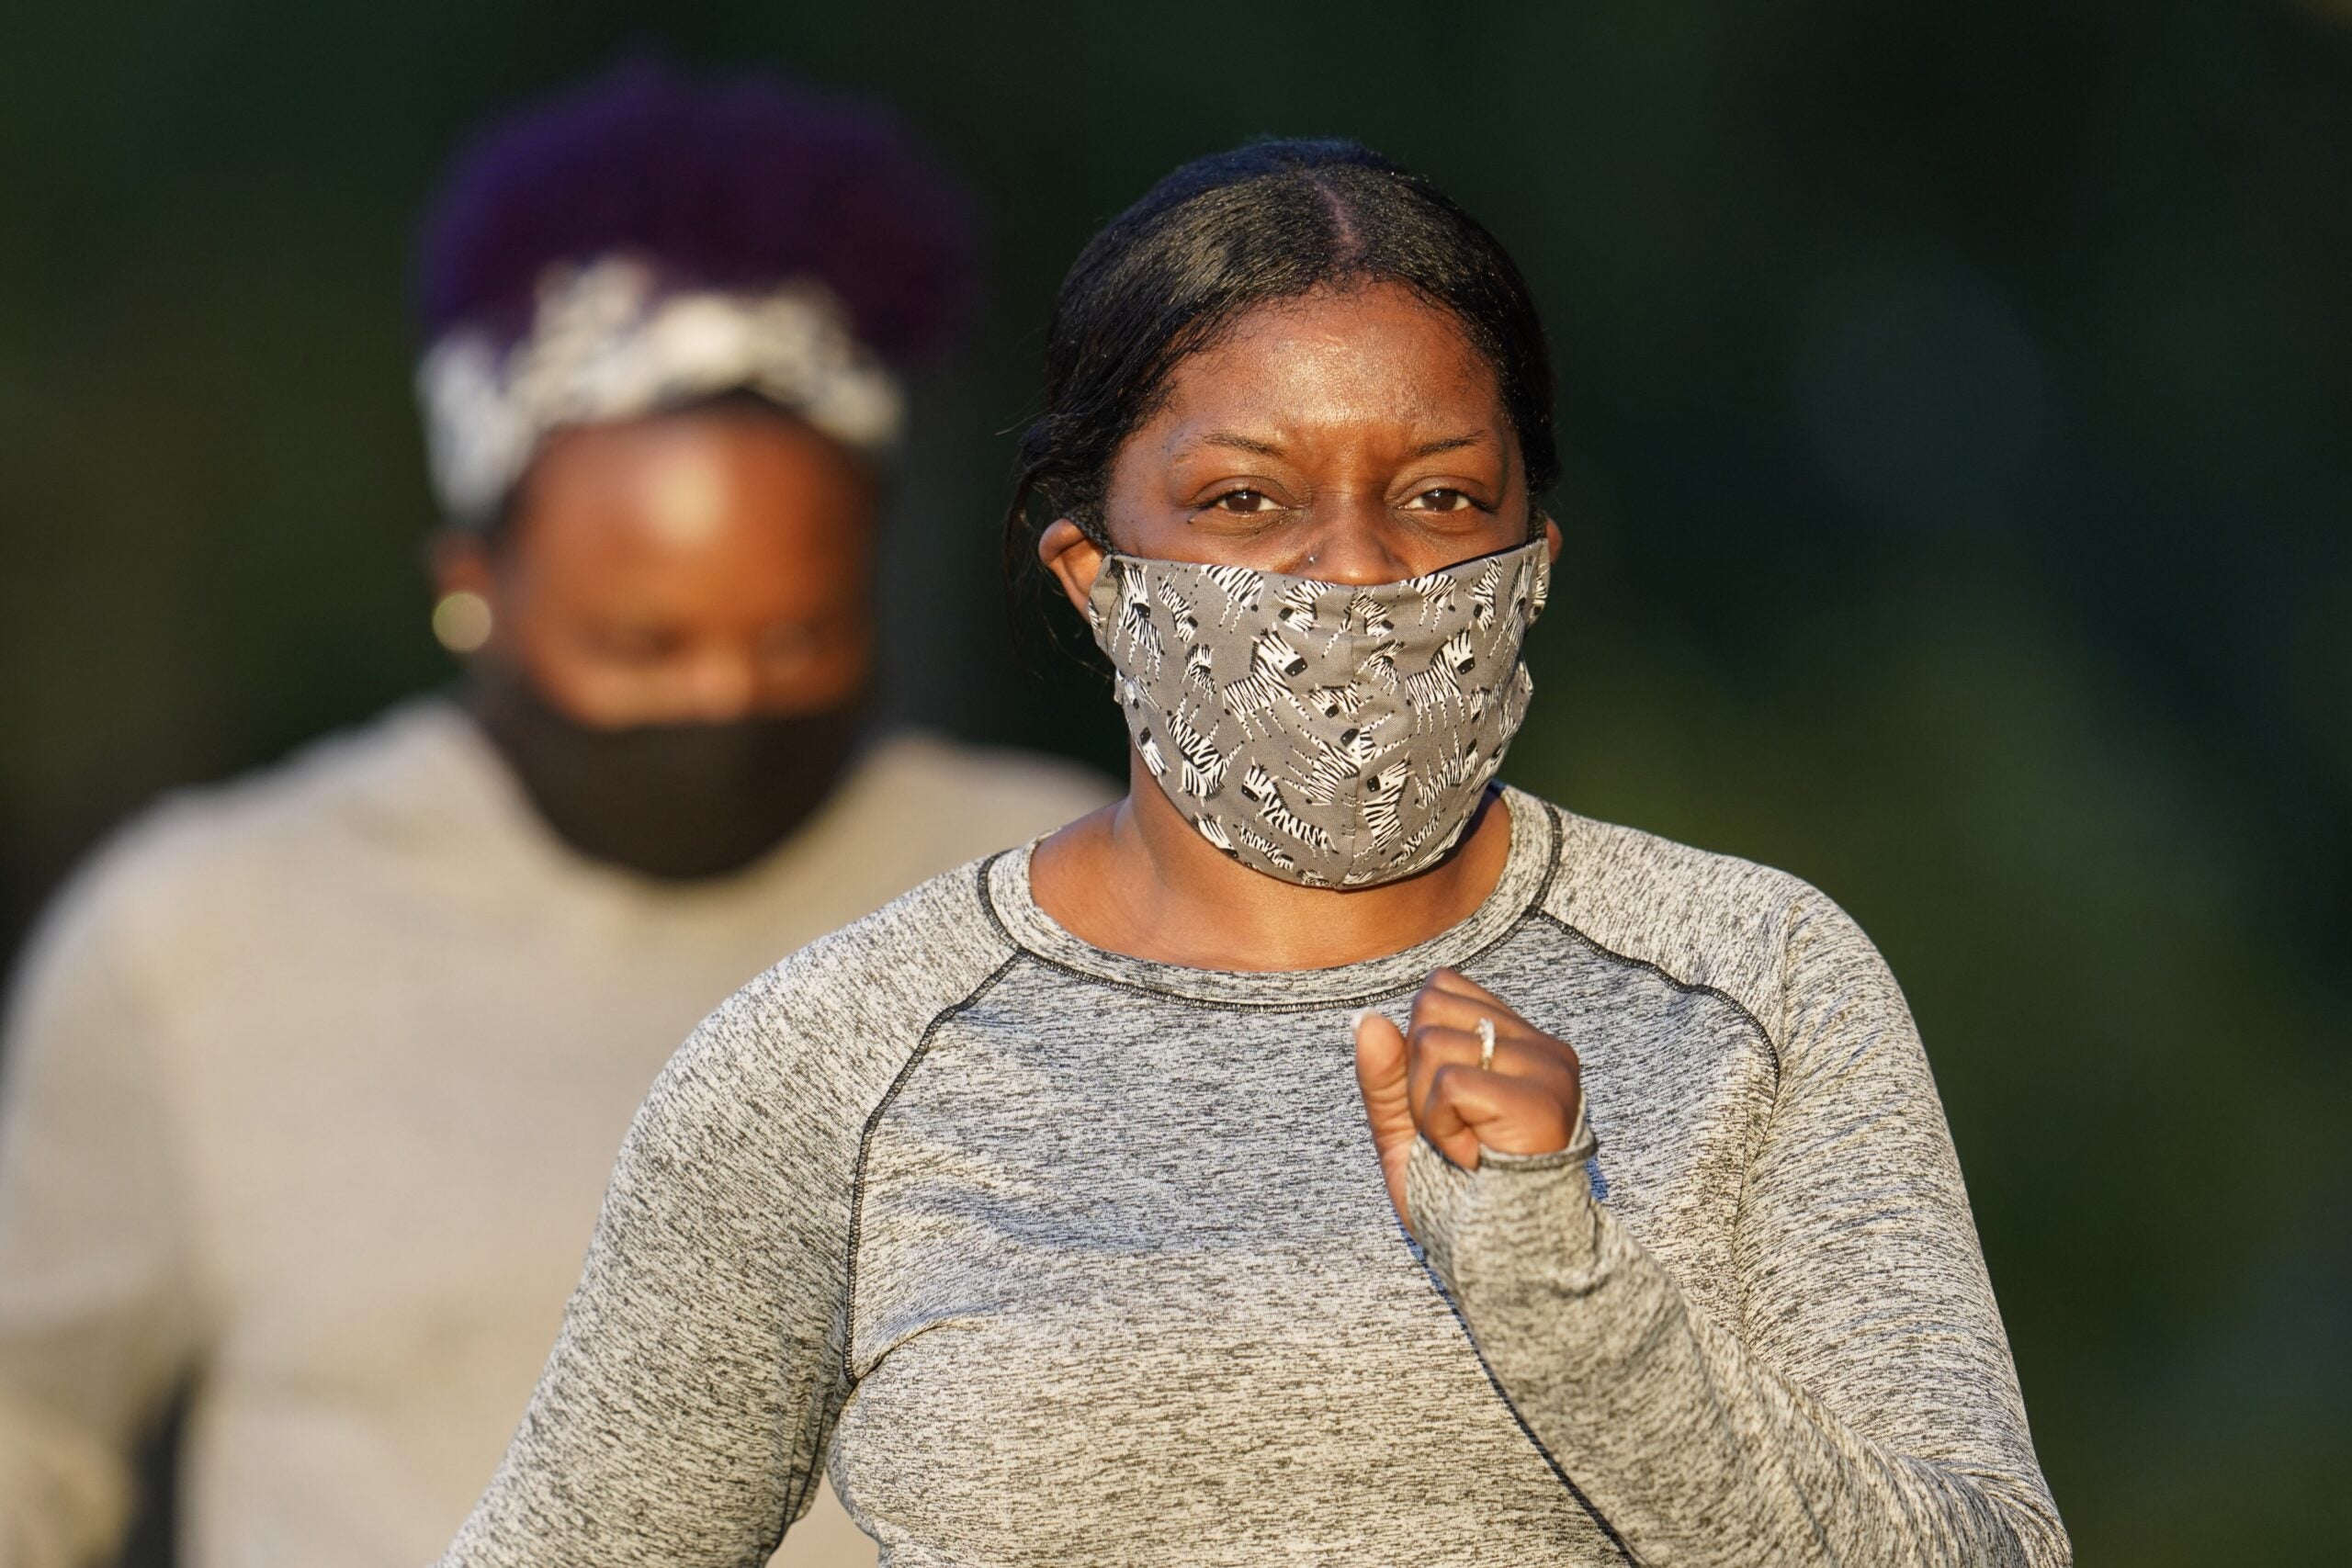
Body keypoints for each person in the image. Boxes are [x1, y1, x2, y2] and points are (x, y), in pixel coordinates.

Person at [435, 140, 2072, 1567]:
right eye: (1243, 503)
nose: (1354, 573)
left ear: (1532, 557)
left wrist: (1566, 1287)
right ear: (1093, 572)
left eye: (1437, 498)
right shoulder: (838, 1063)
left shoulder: (1749, 988)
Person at [0, 64, 1107, 1568]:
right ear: (475, 583)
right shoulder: (196, 937)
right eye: (642, 644)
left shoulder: (1076, 902)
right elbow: (27, 1432)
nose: (723, 701)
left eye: (796, 640)